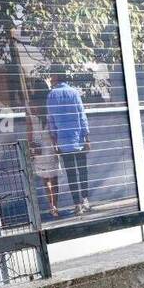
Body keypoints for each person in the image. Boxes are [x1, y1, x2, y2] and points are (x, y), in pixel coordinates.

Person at [46, 70, 92, 214]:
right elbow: (82, 115)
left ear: (57, 77)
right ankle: (85, 200)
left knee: (71, 173)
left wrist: (55, 141)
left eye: (52, 76)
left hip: (63, 142)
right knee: (82, 170)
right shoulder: (74, 93)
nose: (51, 79)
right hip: (78, 138)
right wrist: (87, 137)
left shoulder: (51, 95)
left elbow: (51, 120)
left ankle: (77, 204)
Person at [29, 115, 62, 218]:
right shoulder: (35, 116)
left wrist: (31, 148)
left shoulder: (46, 115)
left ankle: (53, 206)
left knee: (50, 180)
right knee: (50, 180)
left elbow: (30, 132)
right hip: (44, 150)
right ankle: (53, 206)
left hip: (46, 150)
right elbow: (29, 133)